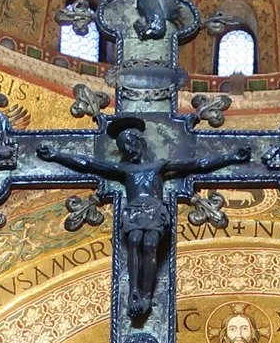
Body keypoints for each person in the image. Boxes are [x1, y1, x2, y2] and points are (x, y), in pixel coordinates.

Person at [42, 119, 250, 325]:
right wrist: (56, 155)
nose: (128, 149)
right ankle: (134, 291)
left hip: (154, 209)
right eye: (123, 147)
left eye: (130, 143)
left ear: (140, 142)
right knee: (134, 242)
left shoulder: (158, 166)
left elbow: (198, 164)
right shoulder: (125, 170)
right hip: (134, 210)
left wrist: (230, 157)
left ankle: (147, 296)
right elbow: (88, 163)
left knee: (149, 244)